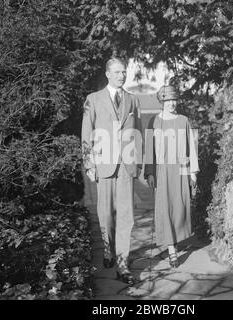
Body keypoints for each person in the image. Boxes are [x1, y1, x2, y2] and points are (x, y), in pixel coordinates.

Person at [81, 58, 142, 284]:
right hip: (103, 163)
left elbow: (139, 132)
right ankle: (108, 249)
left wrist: (139, 162)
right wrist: (89, 164)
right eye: (117, 72)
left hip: (126, 165)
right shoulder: (93, 100)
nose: (122, 76)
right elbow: (87, 133)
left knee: (126, 216)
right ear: (107, 74)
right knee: (105, 214)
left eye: (124, 72)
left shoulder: (133, 100)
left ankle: (123, 264)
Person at [144, 85, 199, 268]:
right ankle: (171, 249)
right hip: (162, 171)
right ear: (162, 102)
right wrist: (150, 172)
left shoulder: (183, 120)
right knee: (165, 208)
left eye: (174, 100)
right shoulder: (154, 121)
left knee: (179, 207)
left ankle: (176, 239)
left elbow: (191, 147)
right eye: (168, 101)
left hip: (181, 167)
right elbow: (149, 151)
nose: (172, 104)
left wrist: (192, 173)